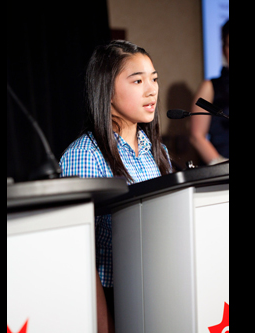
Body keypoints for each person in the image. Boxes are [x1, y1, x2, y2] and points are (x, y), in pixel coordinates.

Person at [59, 40, 172, 333]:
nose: (151, 90)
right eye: (138, 81)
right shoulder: (85, 154)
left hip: (162, 289)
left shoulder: (156, 150)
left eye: (154, 79)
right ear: (107, 90)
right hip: (114, 298)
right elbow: (82, 253)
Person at [190, 20, 229, 165]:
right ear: (223, 49)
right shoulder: (210, 87)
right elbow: (197, 136)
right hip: (222, 171)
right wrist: (221, 166)